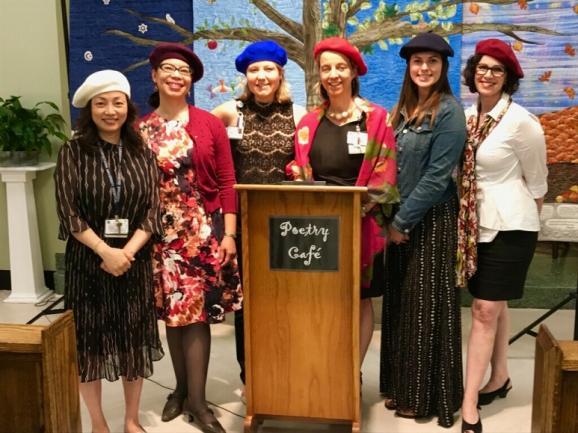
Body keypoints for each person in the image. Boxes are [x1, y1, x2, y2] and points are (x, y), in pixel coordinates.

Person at [138, 42, 242, 433]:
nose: (176, 75)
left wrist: (229, 233)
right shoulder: (141, 129)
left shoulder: (207, 123)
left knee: (197, 318)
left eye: (184, 70)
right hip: (157, 235)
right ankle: (179, 390)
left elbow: (228, 181)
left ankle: (198, 403)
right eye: (168, 68)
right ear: (155, 75)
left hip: (200, 231)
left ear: (191, 80)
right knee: (174, 315)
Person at [54, 70, 164, 433]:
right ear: (90, 109)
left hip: (132, 263)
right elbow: (68, 212)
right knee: (89, 344)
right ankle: (98, 422)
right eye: (101, 103)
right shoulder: (73, 151)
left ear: (127, 108)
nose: (110, 110)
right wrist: (105, 251)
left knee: (133, 340)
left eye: (117, 102)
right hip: (88, 262)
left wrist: (125, 254)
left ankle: (131, 420)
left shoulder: (142, 152)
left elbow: (152, 211)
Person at [288, 36, 398, 373]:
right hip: (317, 230)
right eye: (326, 68)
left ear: (353, 72)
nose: (333, 74)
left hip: (362, 226)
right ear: (319, 75)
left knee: (360, 299)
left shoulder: (376, 119)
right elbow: (299, 168)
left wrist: (351, 208)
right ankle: (324, 368)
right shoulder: (308, 123)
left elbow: (386, 176)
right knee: (323, 298)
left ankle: (352, 373)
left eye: (340, 67)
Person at [457, 39, 547, 433]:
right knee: (496, 304)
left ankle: (469, 403)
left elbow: (538, 184)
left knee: (484, 310)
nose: (486, 74)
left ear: (508, 77)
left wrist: (520, 221)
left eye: (496, 69)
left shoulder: (522, 122)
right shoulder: (465, 117)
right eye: (481, 67)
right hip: (473, 225)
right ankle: (500, 377)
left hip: (511, 226)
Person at [379, 32, 466, 428]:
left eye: (432, 61)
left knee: (424, 309)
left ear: (443, 67)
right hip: (400, 220)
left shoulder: (449, 112)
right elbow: (382, 164)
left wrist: (399, 222)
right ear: (409, 67)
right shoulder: (398, 112)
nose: (424, 68)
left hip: (428, 220)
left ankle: (425, 396)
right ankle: (400, 387)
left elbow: (436, 177)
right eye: (418, 62)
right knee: (401, 307)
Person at [211, 40, 306, 391]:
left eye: (269, 69)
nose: (262, 76)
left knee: (287, 296)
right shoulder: (229, 112)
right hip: (244, 224)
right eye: (254, 70)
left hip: (287, 225)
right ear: (245, 76)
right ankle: (250, 374)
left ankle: (288, 364)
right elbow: (205, 146)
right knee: (248, 302)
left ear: (280, 74)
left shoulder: (299, 114)